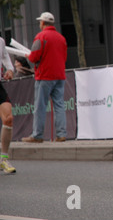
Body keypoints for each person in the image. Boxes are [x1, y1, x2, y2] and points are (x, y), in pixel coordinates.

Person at [22, 12, 68, 143]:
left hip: (45, 76)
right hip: (59, 75)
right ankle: (61, 134)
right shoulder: (61, 38)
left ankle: (37, 135)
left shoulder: (41, 36)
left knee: (40, 106)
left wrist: (29, 56)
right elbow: (64, 57)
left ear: (42, 23)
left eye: (40, 22)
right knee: (59, 105)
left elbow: (34, 56)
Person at [0, 37, 16, 173]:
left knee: (8, 119)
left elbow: (5, 57)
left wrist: (10, 70)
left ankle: (3, 160)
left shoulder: (0, 41)